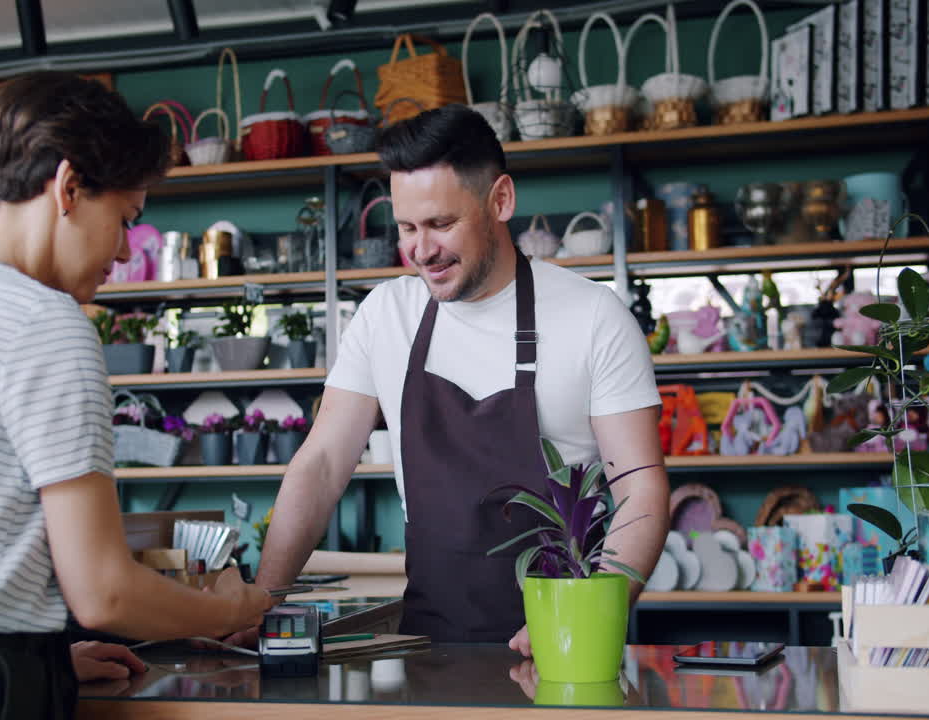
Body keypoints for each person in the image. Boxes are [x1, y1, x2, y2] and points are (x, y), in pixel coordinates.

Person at [0, 71, 273, 720]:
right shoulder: (43, 319)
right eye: (124, 219)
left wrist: (39, 660)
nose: (124, 250)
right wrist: (232, 607)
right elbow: (104, 595)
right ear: (67, 188)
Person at [248, 105, 669, 650]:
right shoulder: (385, 315)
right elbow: (322, 464)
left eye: (442, 224)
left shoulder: (592, 317)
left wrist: (580, 621)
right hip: (427, 649)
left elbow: (641, 491)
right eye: (406, 228)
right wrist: (262, 599)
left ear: (500, 200)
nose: (422, 250)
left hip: (565, 649)